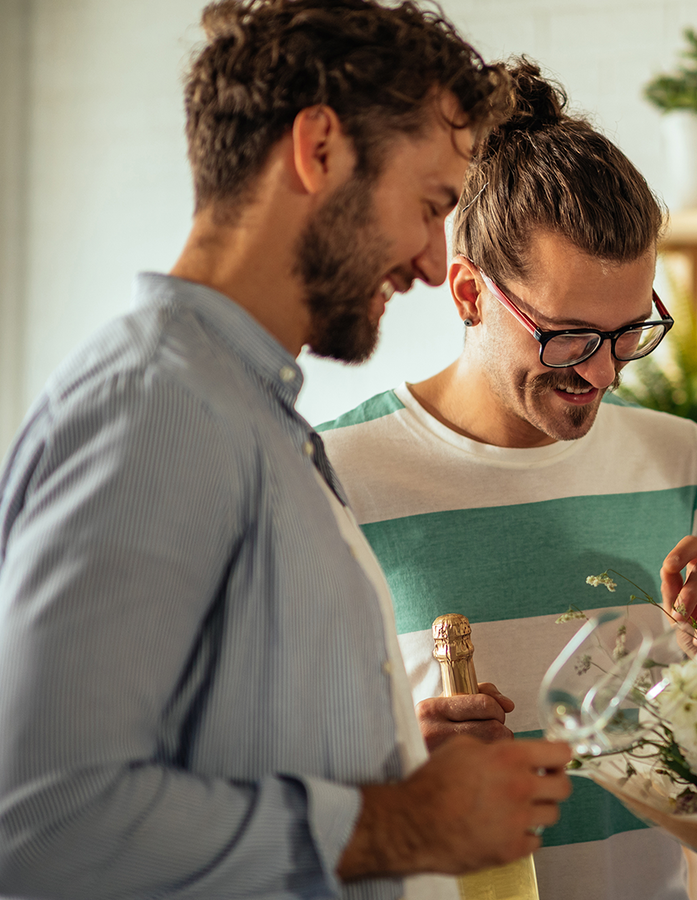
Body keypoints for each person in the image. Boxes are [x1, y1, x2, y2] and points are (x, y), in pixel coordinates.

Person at [0, 3, 577, 898]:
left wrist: (379, 758)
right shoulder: (157, 407)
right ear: (318, 149)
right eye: (431, 206)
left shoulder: (247, 412)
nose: (432, 263)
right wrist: (403, 822)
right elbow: (44, 818)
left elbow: (207, 744)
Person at [318, 60, 697, 900]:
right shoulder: (337, 477)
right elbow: (262, 780)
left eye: (629, 332)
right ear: (468, 293)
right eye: (569, 337)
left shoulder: (678, 460)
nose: (603, 375)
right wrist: (394, 768)